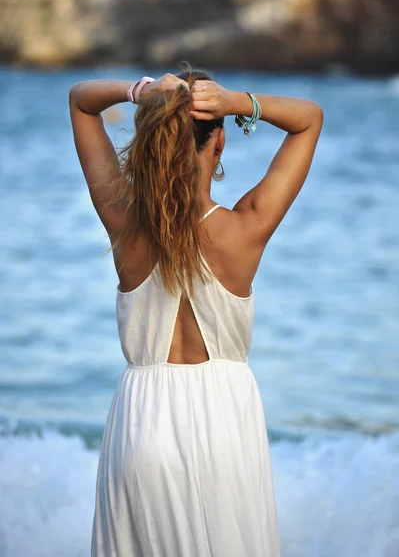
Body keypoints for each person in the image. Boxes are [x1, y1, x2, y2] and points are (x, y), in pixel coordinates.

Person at [69, 63, 323, 557]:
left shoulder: (125, 222)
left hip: (142, 426)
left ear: (148, 144)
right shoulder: (245, 227)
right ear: (220, 143)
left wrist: (139, 91)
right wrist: (237, 102)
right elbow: (309, 118)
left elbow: (81, 100)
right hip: (225, 426)